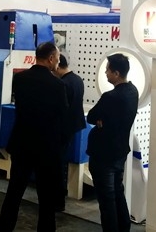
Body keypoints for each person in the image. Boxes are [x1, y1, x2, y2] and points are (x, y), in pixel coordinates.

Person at [0, 42, 69, 232]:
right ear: (51, 58)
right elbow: (62, 116)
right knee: (46, 200)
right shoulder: (57, 85)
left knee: (13, 194)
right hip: (46, 149)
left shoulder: (20, 79)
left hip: (22, 144)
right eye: (58, 58)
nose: (58, 62)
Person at [87, 53, 139, 232]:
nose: (105, 73)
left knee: (107, 200)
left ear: (116, 73)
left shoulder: (111, 97)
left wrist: (101, 120)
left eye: (108, 70)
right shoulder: (133, 91)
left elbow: (92, 116)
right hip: (119, 152)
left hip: (104, 155)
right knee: (117, 193)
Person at [54, 53, 87, 211]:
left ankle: (58, 201)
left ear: (58, 66)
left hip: (62, 129)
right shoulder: (78, 79)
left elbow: (60, 109)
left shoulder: (62, 84)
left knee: (57, 165)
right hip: (73, 127)